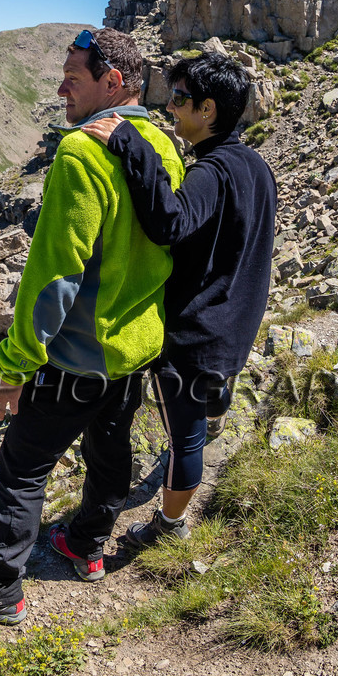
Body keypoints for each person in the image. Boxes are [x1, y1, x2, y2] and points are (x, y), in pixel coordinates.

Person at [0, 28, 185, 625]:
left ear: (113, 82)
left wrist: (14, 365)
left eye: (74, 76)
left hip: (77, 354)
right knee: (110, 448)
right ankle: (88, 545)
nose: (61, 86)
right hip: (134, 348)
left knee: (22, 467)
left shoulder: (79, 153)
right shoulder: (163, 146)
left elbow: (55, 277)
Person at [79, 49, 277, 548]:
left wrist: (128, 143)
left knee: (183, 441)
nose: (171, 109)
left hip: (197, 333)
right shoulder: (255, 164)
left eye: (181, 99)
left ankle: (169, 525)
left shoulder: (210, 172)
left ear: (208, 110)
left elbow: (170, 223)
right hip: (238, 318)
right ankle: (214, 419)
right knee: (212, 398)